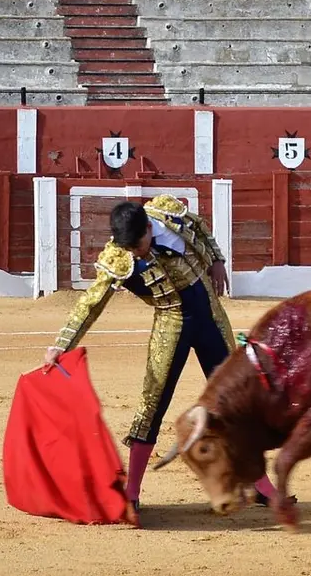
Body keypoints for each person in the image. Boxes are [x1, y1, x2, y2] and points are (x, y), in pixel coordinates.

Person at [42, 195, 288, 512]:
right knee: (152, 404)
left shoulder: (168, 213)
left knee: (237, 400)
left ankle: (261, 486)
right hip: (172, 323)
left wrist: (216, 259)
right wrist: (63, 344)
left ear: (148, 226)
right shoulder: (119, 256)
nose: (136, 253)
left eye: (139, 244)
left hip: (211, 316)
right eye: (130, 248)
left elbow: (200, 227)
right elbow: (91, 303)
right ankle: (132, 492)